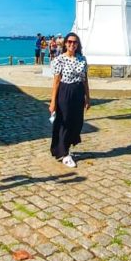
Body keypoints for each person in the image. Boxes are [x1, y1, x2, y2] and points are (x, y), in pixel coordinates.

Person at [50, 32, 90, 168]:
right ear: (65, 43)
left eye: (75, 42)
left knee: (77, 122)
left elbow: (85, 80)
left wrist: (87, 97)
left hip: (78, 93)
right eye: (70, 42)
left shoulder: (82, 59)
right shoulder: (59, 60)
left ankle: (62, 148)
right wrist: (53, 102)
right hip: (65, 92)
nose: (72, 44)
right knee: (64, 122)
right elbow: (56, 82)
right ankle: (64, 153)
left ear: (78, 45)